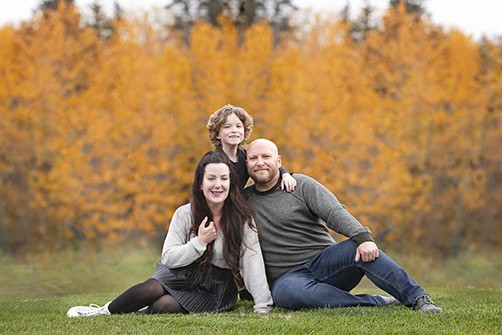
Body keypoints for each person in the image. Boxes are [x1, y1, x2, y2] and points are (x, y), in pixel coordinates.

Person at [243, 138, 443, 313]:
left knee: (357, 247)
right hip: (289, 279)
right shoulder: (242, 201)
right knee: (286, 294)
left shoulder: (301, 185)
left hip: (327, 262)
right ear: (246, 164)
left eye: (266, 157)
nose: (260, 163)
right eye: (253, 158)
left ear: (278, 161)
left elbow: (334, 212)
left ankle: (418, 298)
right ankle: (375, 301)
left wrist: (363, 238)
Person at [67, 151, 273, 317]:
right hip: (181, 272)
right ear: (201, 184)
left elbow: (253, 260)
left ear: (230, 183)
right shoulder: (185, 213)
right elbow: (169, 258)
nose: (218, 185)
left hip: (217, 286)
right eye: (211, 178)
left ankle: (140, 309)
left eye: (223, 179)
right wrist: (199, 242)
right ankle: (103, 311)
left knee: (164, 305)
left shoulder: (242, 218)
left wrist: (263, 305)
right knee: (150, 289)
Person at [207, 104, 296, 192]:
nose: (234, 130)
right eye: (227, 127)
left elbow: (271, 162)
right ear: (217, 134)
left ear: (244, 131)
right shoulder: (214, 161)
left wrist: (285, 174)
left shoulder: (244, 155)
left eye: (238, 126)